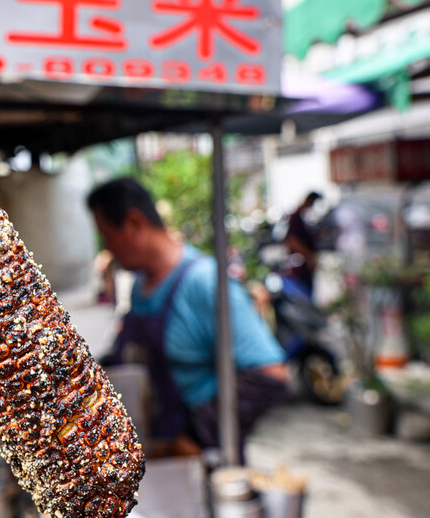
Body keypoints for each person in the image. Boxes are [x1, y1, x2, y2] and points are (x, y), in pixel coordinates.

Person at [87, 177, 288, 459]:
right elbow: (127, 356)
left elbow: (271, 374)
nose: (108, 249)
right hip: (157, 453)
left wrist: (197, 434)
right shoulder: (140, 287)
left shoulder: (205, 283)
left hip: (203, 460)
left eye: (108, 236)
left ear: (134, 224)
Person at [284, 191, 322, 298]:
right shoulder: (296, 218)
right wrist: (309, 256)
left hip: (304, 267)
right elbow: (292, 241)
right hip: (300, 267)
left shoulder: (302, 217)